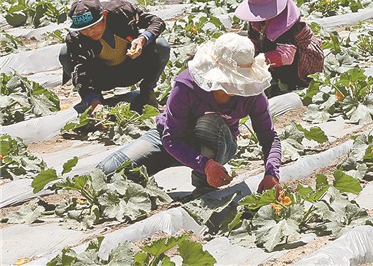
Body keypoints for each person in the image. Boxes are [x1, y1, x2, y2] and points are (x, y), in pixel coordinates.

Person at [97, 33, 282, 195]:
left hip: (217, 143)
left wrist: (271, 174)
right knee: (106, 172)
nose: (233, 87)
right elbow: (171, 138)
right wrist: (205, 165)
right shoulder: (186, 85)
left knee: (210, 122)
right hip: (172, 139)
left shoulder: (252, 93)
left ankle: (204, 184)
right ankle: (200, 169)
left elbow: (269, 137)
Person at [60, 0, 170, 113]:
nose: (89, 32)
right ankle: (96, 99)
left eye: (93, 26)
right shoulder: (76, 39)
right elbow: (81, 74)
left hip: (132, 68)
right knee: (64, 54)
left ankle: (147, 90)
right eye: (84, 29)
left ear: (104, 15)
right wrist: (93, 101)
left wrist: (142, 39)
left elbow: (157, 22)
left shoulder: (122, 12)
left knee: (161, 45)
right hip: (103, 76)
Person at [235, 0, 324, 94]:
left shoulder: (287, 22)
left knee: (286, 79)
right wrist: (246, 53)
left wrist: (256, 61)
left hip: (299, 59)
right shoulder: (255, 19)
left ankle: (287, 84)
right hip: (272, 51)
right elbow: (253, 38)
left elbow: (286, 56)